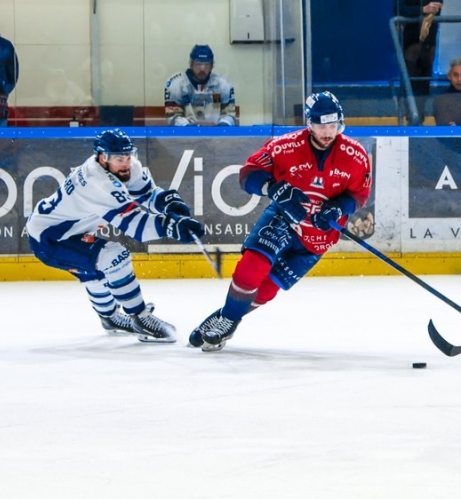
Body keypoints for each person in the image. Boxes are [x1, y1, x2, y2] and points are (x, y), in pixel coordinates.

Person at [189, 92, 372, 352]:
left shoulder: (355, 155)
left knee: (266, 291)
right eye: (321, 125)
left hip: (317, 239)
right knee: (253, 265)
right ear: (309, 122)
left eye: (334, 125)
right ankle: (228, 318)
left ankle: (226, 316)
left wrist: (337, 209)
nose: (328, 132)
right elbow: (247, 175)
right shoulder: (285, 146)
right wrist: (273, 188)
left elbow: (359, 194)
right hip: (284, 219)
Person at [26, 129, 204, 343]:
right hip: (49, 239)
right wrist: (172, 227)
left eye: (128, 156)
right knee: (114, 255)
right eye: (120, 158)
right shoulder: (96, 182)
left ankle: (110, 319)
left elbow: (147, 194)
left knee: (98, 273)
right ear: (102, 158)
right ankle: (139, 317)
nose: (126, 162)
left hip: (72, 230)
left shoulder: (123, 166)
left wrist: (169, 203)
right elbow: (135, 226)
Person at [395, 0, 444, 124]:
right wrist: (423, 9)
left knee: (424, 80)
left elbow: (438, 6)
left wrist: (430, 10)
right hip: (411, 38)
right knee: (410, 78)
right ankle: (411, 115)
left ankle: (419, 115)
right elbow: (399, 9)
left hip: (429, 38)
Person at [165, 44, 237, 126]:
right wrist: (187, 127)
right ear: (191, 64)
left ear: (212, 66)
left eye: (206, 64)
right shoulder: (175, 84)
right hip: (186, 136)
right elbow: (172, 115)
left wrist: (223, 125)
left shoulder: (223, 84)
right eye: (198, 64)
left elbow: (229, 113)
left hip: (215, 136)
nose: (202, 68)